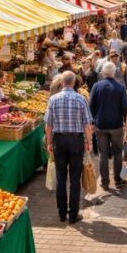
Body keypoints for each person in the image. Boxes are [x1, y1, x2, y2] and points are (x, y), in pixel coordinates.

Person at [44, 72, 94, 224]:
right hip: (76, 141)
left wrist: (49, 142)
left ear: (62, 83)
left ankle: (61, 213)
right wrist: (89, 142)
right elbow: (87, 125)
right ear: (73, 83)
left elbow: (48, 125)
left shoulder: (53, 99)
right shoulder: (81, 99)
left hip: (59, 140)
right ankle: (73, 214)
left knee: (61, 178)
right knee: (74, 178)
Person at [89, 62, 127, 190]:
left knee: (103, 154)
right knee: (117, 153)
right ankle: (118, 179)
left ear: (103, 73)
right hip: (116, 125)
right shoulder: (120, 87)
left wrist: (93, 122)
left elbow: (91, 106)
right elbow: (125, 108)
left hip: (101, 125)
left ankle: (105, 181)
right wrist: (126, 122)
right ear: (114, 72)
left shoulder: (96, 86)